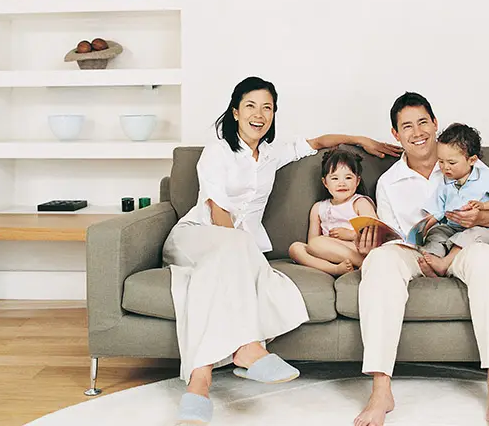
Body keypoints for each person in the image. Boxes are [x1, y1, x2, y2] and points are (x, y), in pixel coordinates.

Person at [161, 76, 401, 426]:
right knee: (235, 249)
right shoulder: (218, 151)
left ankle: (200, 384)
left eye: (267, 108)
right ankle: (248, 346)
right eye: (251, 106)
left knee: (218, 273)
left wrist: (359, 139)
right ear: (235, 111)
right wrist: (237, 255)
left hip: (237, 249)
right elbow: (217, 212)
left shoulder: (272, 153)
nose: (260, 114)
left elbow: (319, 142)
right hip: (197, 237)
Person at [354, 92, 489, 426]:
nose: (417, 132)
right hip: (416, 253)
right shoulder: (389, 182)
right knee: (379, 261)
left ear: (435, 124)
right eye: (407, 127)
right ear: (396, 135)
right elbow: (394, 237)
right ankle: (380, 388)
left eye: (423, 122)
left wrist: (480, 219)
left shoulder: (466, 163)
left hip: (463, 247)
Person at [419, 122, 489, 277]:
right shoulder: (445, 182)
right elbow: (437, 212)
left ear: (472, 160)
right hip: (453, 228)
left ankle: (445, 264)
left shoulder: (486, 176)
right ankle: (430, 261)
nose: (445, 167)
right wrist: (422, 228)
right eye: (441, 161)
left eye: (451, 163)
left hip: (483, 230)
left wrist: (484, 206)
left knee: (472, 235)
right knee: (437, 233)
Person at [289, 148, 377, 276]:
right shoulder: (318, 208)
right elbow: (312, 242)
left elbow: (374, 232)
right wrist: (324, 245)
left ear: (357, 181)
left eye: (348, 177)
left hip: (355, 249)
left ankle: (361, 261)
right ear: (325, 182)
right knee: (295, 248)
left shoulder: (359, 202)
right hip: (325, 253)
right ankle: (334, 270)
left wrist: (351, 235)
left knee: (317, 243)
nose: (341, 183)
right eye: (335, 178)